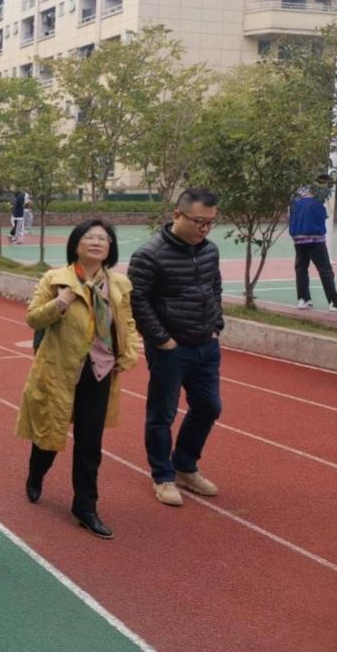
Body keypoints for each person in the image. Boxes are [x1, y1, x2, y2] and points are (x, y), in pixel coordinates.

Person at [16, 219, 138, 540]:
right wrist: (61, 302)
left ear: (110, 248)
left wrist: (129, 353)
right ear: (76, 244)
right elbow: (32, 318)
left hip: (99, 371)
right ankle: (36, 472)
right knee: (49, 433)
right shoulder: (56, 279)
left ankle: (85, 507)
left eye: (103, 238)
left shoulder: (119, 284)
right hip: (60, 369)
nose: (97, 242)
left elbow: (127, 323)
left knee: (89, 443)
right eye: (89, 237)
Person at [127, 188, 224, 507]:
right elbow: (137, 301)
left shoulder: (209, 251)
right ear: (177, 215)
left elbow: (214, 288)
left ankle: (185, 466)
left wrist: (216, 327)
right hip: (170, 349)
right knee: (162, 414)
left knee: (209, 407)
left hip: (206, 345)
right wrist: (162, 340)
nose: (204, 228)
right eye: (198, 221)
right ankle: (162, 476)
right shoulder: (149, 255)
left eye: (210, 222)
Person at [289, 179, 337, 312]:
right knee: (325, 270)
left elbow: (290, 215)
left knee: (301, 269)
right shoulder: (320, 196)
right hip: (315, 239)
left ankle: (303, 299)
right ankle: (333, 302)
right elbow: (326, 214)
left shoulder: (294, 196)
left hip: (298, 238)